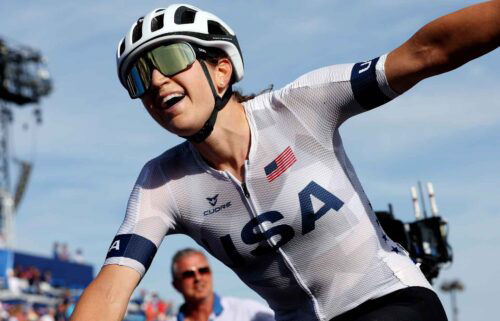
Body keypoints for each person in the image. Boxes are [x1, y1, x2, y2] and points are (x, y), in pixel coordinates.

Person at [71, 2, 499, 321]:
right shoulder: (160, 183)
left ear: (221, 70)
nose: (155, 81)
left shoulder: (300, 105)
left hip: (387, 300)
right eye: (138, 76)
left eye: (168, 59)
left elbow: (427, 52)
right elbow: (111, 291)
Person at [171, 248, 274, 321]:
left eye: (203, 271)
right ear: (176, 285)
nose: (198, 278)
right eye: (188, 274)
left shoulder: (247, 311)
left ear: (211, 274)